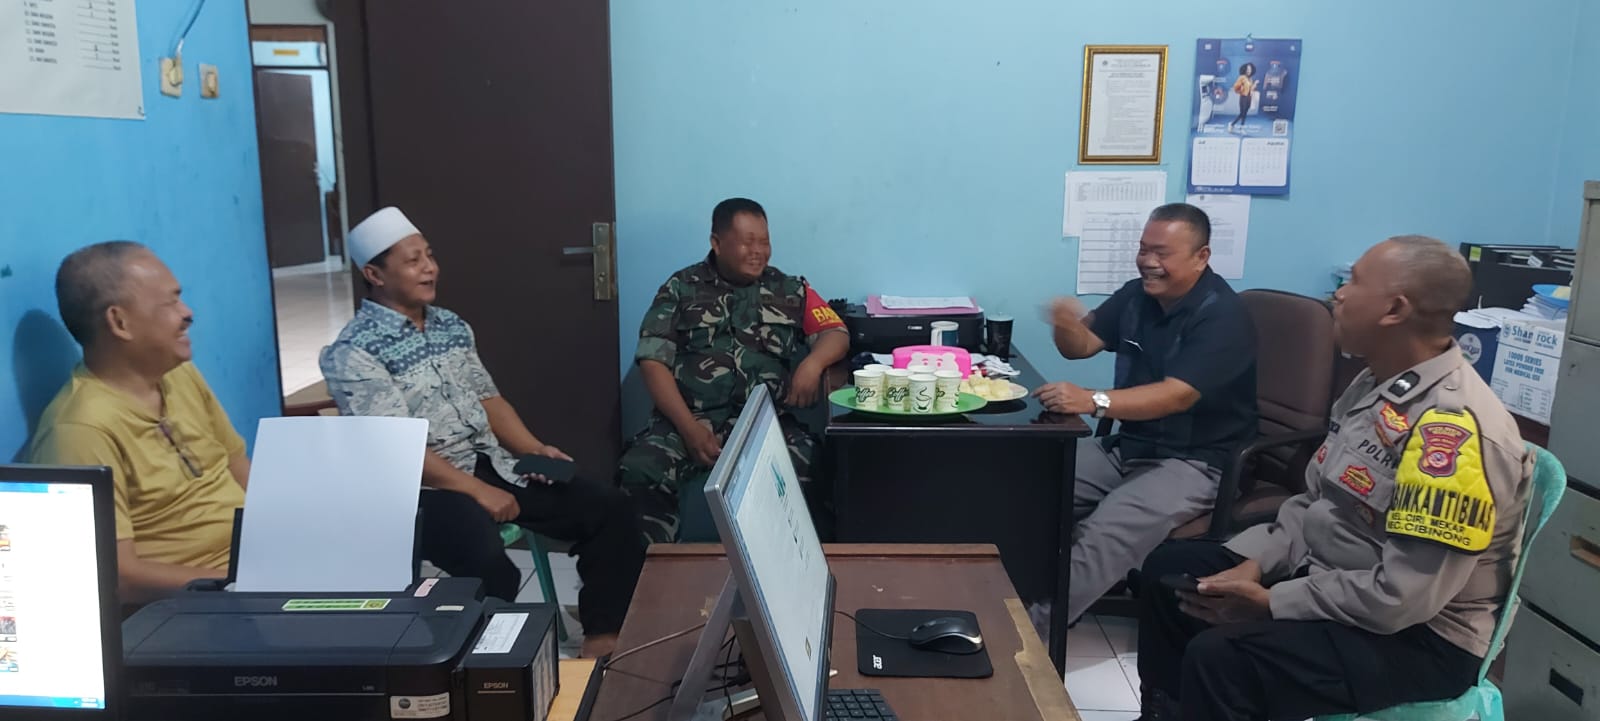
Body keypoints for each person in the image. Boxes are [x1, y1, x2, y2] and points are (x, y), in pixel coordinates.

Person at [1133, 236, 1532, 721]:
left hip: (1421, 637)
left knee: (1224, 659)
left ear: (1395, 309)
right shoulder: (1374, 384)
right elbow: (1316, 500)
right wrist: (1258, 563)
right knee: (1172, 574)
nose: (1339, 293)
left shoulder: (1452, 433)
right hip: (1336, 576)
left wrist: (1274, 602)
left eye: (1355, 281)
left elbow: (1402, 599)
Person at [320, 207, 645, 658]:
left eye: (430, 255)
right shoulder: (354, 351)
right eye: (413, 260)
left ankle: (602, 641)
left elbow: (490, 401)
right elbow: (395, 449)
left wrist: (535, 449)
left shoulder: (451, 325)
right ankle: (482, 665)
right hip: (421, 488)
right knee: (489, 564)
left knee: (610, 508)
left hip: (492, 463)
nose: (429, 268)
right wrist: (477, 491)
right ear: (374, 274)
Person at [1034, 203, 1258, 628]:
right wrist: (1065, 323)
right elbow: (1080, 347)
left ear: (1201, 257)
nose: (1148, 261)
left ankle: (1030, 632)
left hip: (1197, 461)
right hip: (1133, 446)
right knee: (1025, 484)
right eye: (1143, 249)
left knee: (1104, 532)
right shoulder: (1137, 295)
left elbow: (1176, 396)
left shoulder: (1222, 315)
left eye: (1162, 252)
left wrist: (1093, 400)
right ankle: (1005, 597)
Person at [28, 242, 248, 604]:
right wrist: (246, 583)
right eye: (170, 303)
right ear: (120, 322)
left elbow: (239, 467)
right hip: (189, 606)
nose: (187, 313)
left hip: (251, 573)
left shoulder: (179, 374)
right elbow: (120, 577)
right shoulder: (81, 430)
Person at [620, 198, 850, 543]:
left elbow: (836, 333)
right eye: (747, 242)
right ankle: (650, 572)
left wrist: (813, 364)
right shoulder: (680, 288)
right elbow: (653, 361)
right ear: (716, 243)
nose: (758, 252)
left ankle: (801, 570)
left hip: (764, 426)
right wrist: (688, 428)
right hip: (688, 422)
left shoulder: (789, 289)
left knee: (814, 466)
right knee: (640, 469)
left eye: (764, 242)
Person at [1227, 62, 1257, 134]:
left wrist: (1255, 84)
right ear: (1244, 70)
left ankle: (1241, 128)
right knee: (1242, 113)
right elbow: (1235, 87)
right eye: (1247, 69)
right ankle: (1232, 124)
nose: (1249, 71)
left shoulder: (1250, 79)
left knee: (1245, 113)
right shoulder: (1242, 77)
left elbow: (1251, 89)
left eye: (1250, 69)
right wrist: (1241, 90)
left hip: (1249, 98)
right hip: (1243, 97)